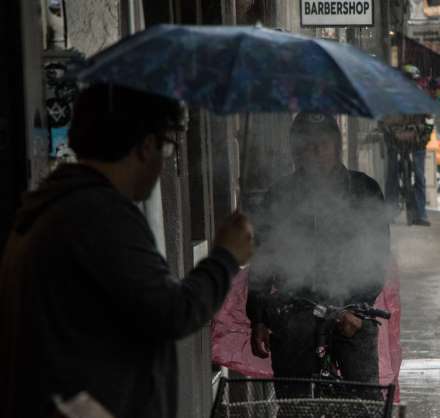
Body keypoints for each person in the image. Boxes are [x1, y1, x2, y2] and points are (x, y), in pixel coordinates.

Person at [0, 84, 254, 418]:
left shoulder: (62, 204)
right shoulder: (100, 214)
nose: (164, 162)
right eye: (167, 148)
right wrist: (225, 257)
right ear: (146, 146)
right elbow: (171, 312)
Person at [246, 112, 390, 396]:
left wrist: (357, 307)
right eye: (304, 146)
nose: (312, 153)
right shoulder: (279, 195)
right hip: (294, 312)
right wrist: (258, 318)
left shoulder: (364, 189)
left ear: (336, 146)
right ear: (294, 150)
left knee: (365, 404)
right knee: (294, 401)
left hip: (352, 309)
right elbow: (263, 259)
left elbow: (377, 257)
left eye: (321, 145)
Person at [382, 64, 433, 226]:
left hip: (416, 141)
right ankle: (390, 211)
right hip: (396, 139)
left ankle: (421, 214)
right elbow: (385, 119)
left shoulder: (421, 96)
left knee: (419, 176)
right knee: (392, 174)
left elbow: (429, 116)